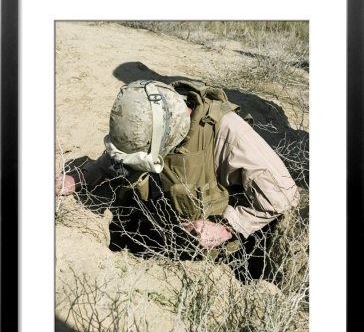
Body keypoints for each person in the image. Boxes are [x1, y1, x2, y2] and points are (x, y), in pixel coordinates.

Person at [56, 79, 300, 249]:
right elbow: (126, 152)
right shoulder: (148, 112)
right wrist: (87, 174)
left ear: (168, 135)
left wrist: (229, 227)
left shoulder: (228, 133)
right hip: (152, 221)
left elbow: (284, 196)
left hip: (198, 249)